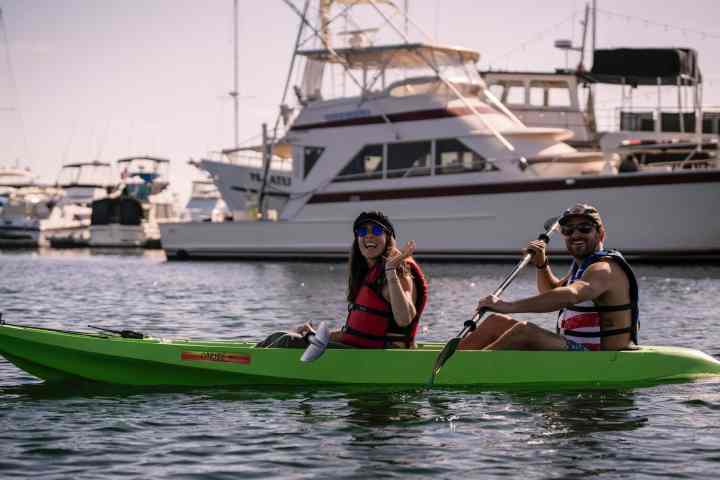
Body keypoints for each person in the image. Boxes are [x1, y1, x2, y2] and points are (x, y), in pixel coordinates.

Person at [459, 203, 639, 351]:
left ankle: (465, 370)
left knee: (525, 331)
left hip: (599, 358)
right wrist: (541, 263)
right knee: (495, 322)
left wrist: (507, 306)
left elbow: (571, 295)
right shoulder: (582, 265)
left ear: (600, 234)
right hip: (574, 348)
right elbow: (552, 292)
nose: (575, 234)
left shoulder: (604, 268)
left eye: (584, 228)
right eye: (568, 230)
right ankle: (453, 361)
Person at [256, 211, 428, 349]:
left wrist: (390, 270)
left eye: (376, 231)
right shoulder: (369, 275)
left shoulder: (399, 271)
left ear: (388, 238)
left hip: (388, 356)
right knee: (279, 336)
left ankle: (250, 364)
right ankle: (251, 357)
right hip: (360, 351)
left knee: (288, 342)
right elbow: (354, 333)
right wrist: (317, 335)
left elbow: (405, 318)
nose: (368, 236)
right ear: (357, 240)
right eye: (362, 232)